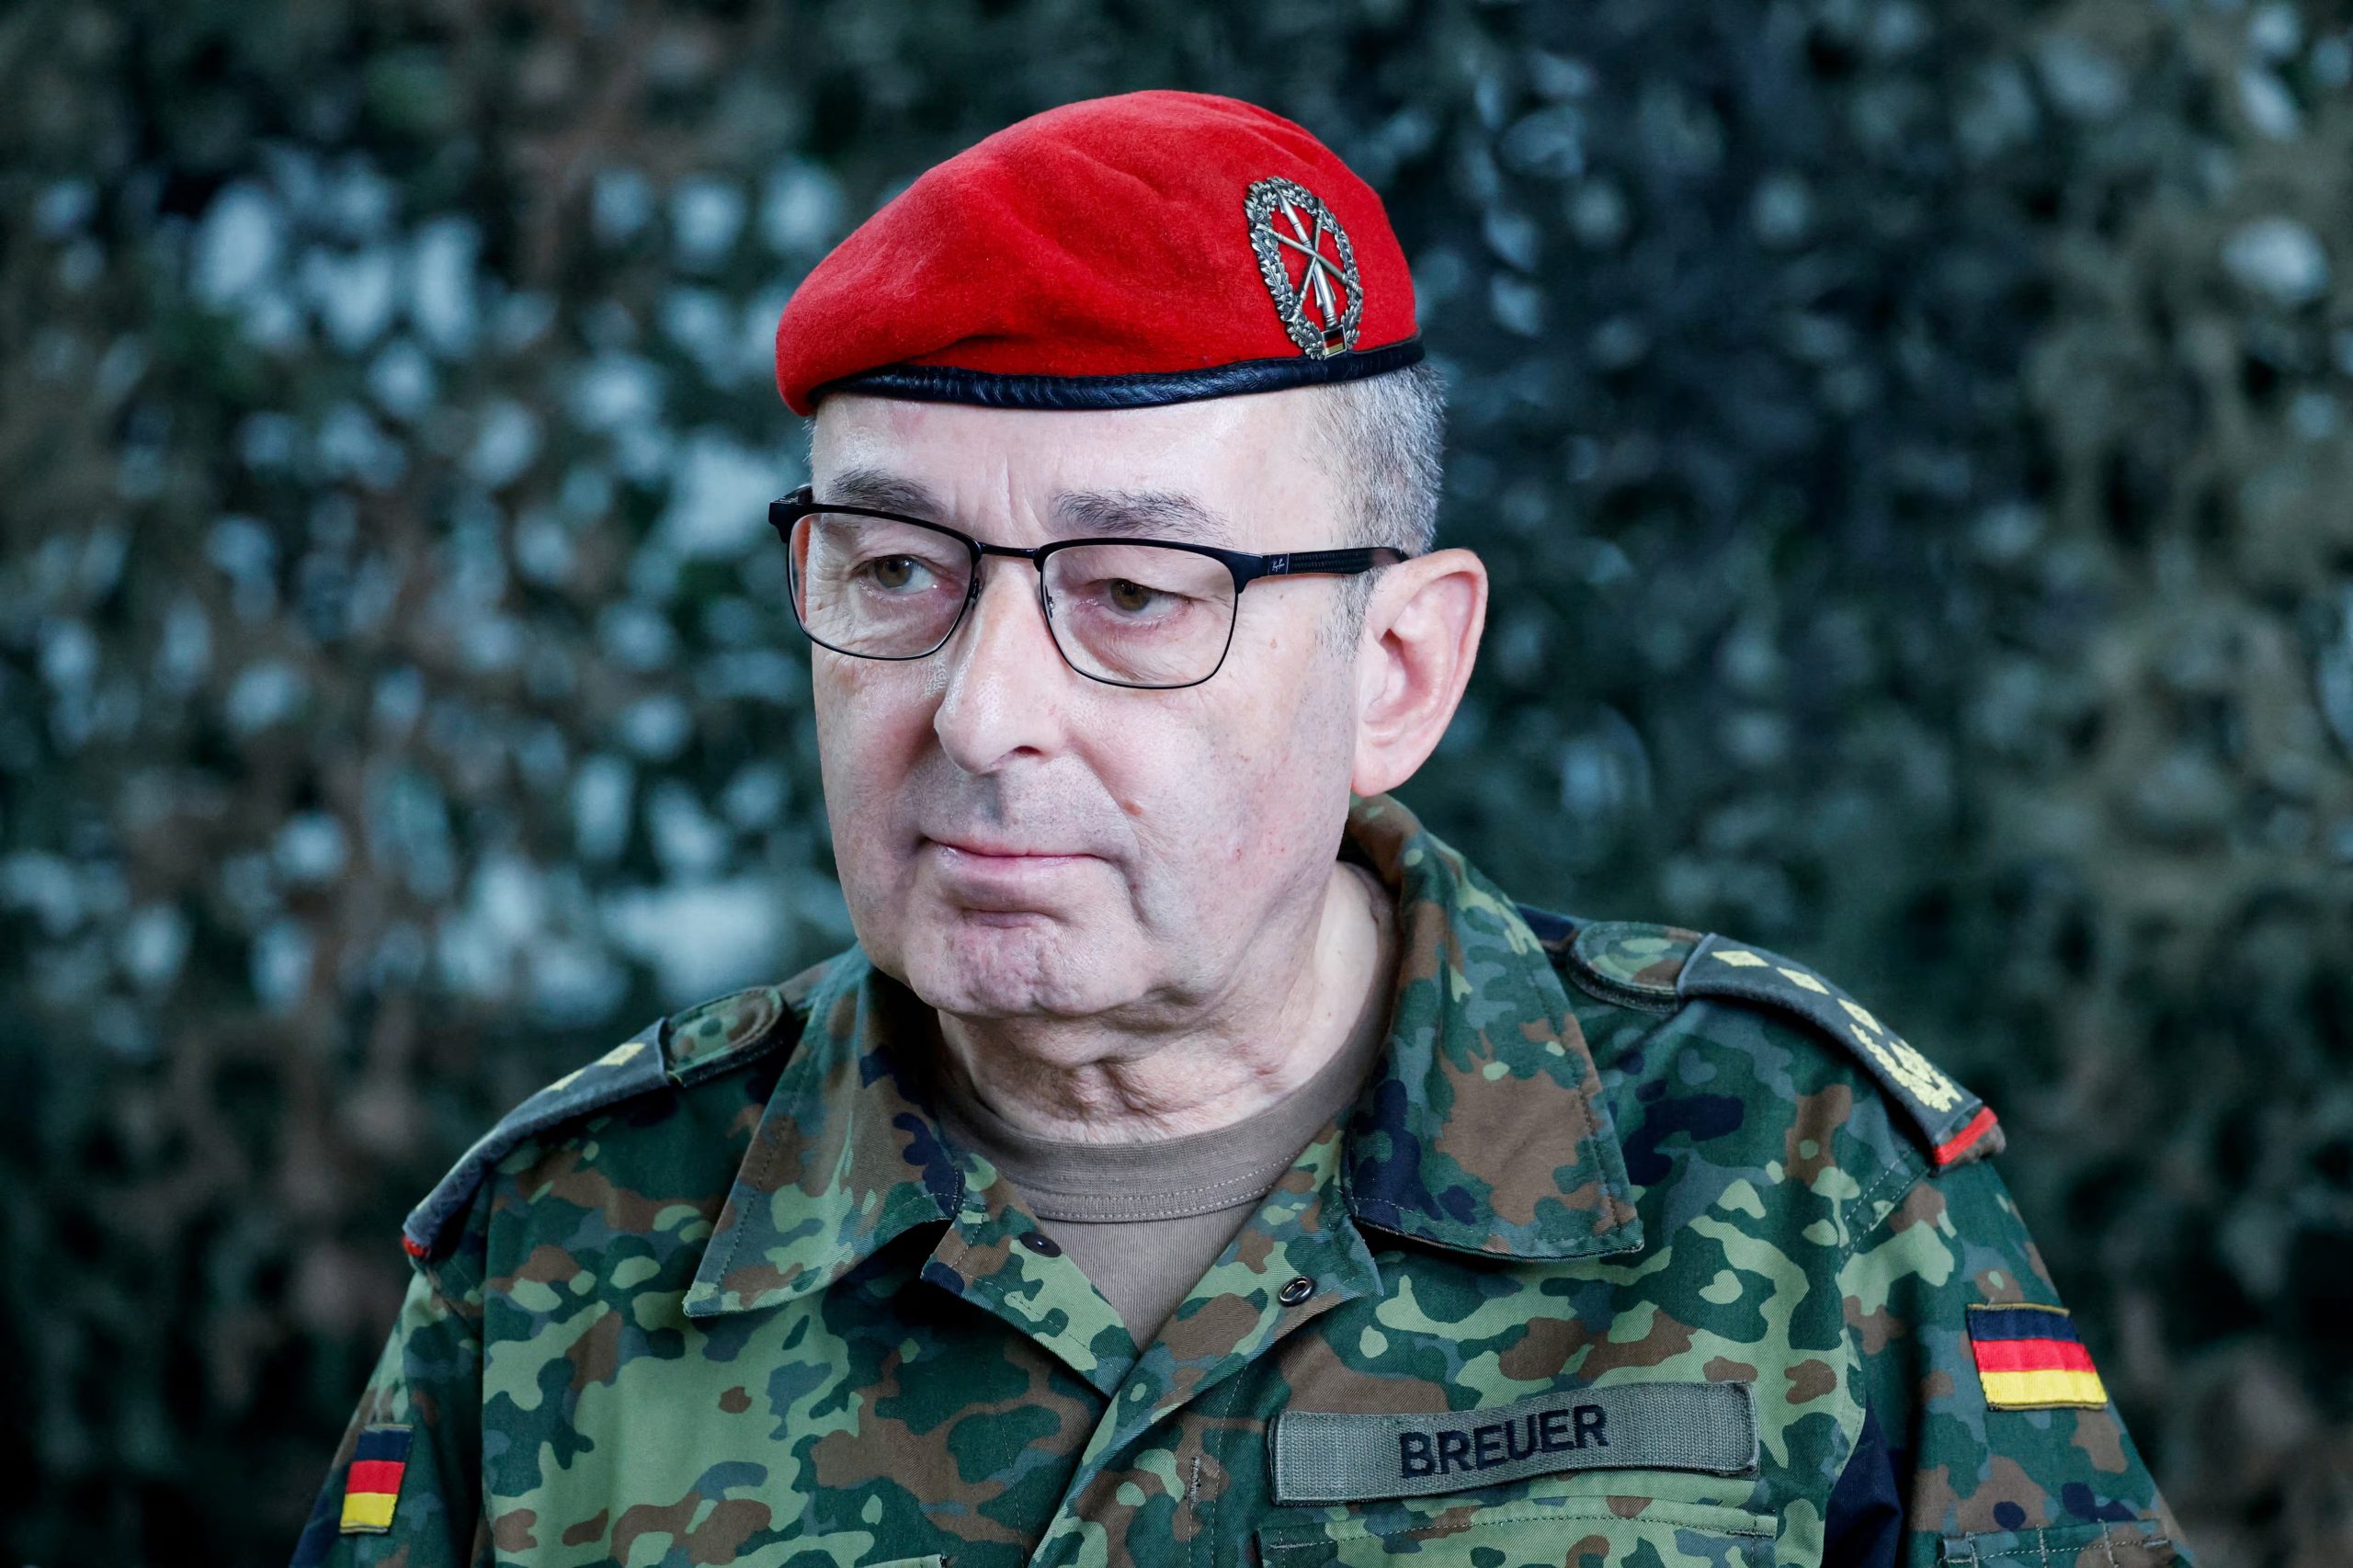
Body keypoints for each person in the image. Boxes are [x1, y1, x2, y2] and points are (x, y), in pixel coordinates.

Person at [293, 90, 2192, 1568]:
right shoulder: (566, 1255)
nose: (977, 710)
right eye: (893, 570)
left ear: (1397, 668)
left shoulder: (1792, 1184)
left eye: (1132, 592)